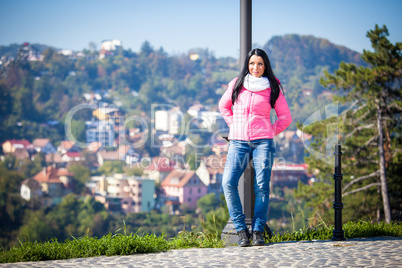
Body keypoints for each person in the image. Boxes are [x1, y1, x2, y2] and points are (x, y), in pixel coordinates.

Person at [219, 48, 292, 247]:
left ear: (265, 65)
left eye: (260, 64)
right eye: (252, 63)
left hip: (263, 143)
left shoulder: (273, 87)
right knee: (228, 183)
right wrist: (233, 124)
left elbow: (285, 118)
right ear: (247, 65)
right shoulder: (237, 84)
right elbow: (223, 106)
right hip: (238, 142)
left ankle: (258, 230)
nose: (255, 67)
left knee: (262, 187)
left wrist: (269, 130)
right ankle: (241, 230)